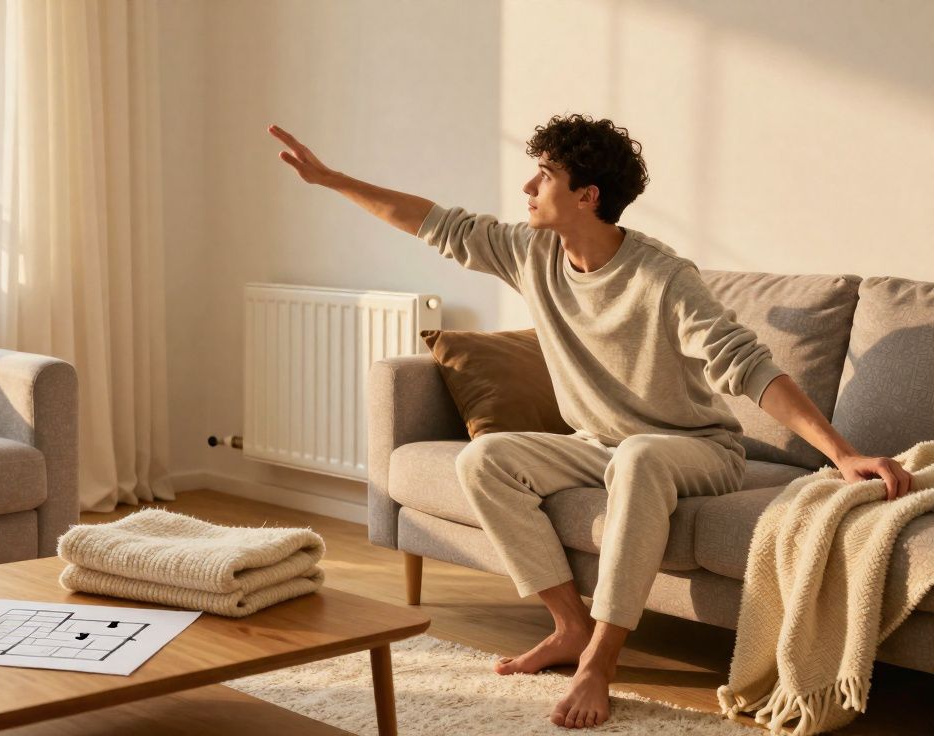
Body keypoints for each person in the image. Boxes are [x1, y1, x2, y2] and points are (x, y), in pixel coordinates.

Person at [267, 114, 916, 730]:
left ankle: (598, 660)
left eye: (543, 174)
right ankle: (568, 624)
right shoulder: (532, 255)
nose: (527, 186)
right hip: (598, 445)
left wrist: (841, 453)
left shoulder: (663, 276)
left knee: (639, 458)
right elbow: (433, 222)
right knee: (485, 460)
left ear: (587, 195)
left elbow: (747, 367)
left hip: (697, 449)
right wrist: (333, 181)